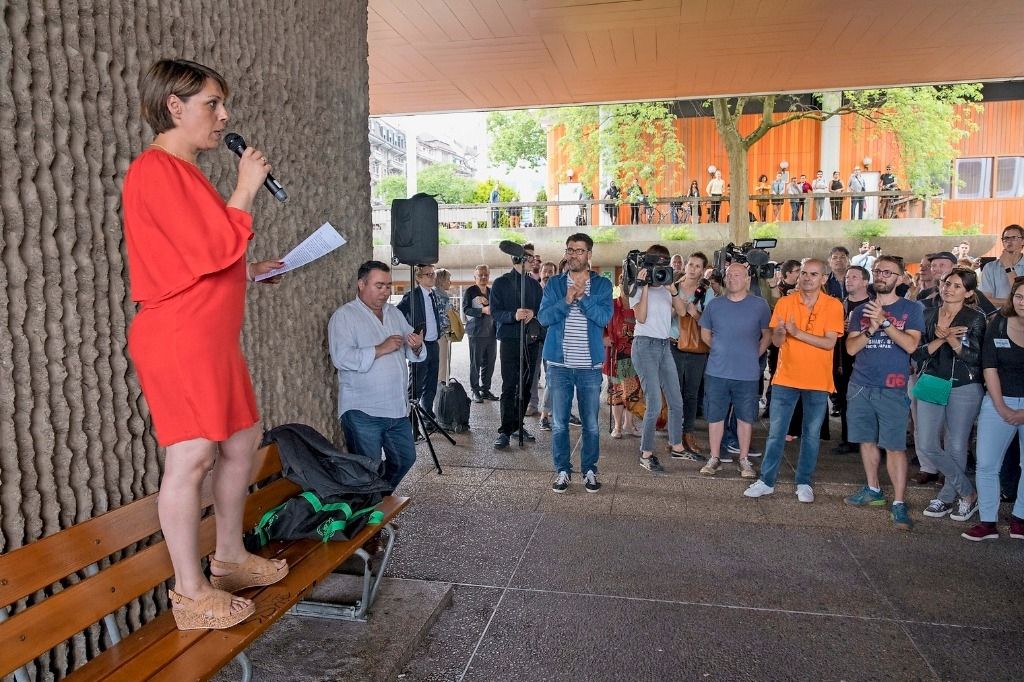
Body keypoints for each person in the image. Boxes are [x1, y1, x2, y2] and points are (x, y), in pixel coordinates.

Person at [123, 59, 288, 630]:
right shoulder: (155, 170)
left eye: (223, 104)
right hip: (178, 335)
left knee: (242, 440)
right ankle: (190, 593)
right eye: (212, 104)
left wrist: (250, 271)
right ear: (175, 106)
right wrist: (244, 189)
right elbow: (210, 247)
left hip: (211, 336)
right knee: (191, 455)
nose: (224, 116)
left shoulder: (187, 172)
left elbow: (200, 258)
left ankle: (230, 558)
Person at [744, 259, 844, 501]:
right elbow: (777, 342)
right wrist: (779, 333)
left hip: (818, 381)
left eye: (813, 274)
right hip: (786, 378)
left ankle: (804, 481)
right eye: (803, 273)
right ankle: (767, 480)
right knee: (776, 432)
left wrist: (798, 333)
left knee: (811, 435)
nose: (807, 278)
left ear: (823, 279)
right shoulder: (786, 302)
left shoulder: (833, 305)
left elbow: (830, 342)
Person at [843, 256, 925, 531]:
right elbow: (852, 349)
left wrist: (886, 323)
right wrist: (872, 328)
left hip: (893, 386)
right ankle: (873, 489)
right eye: (877, 271)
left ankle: (899, 503)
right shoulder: (859, 312)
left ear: (900, 278)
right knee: (866, 440)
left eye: (888, 272)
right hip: (861, 385)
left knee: (894, 446)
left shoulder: (911, 309)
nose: (881, 275)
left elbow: (912, 345)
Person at [330, 260, 424, 489]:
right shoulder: (344, 316)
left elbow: (413, 350)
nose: (385, 292)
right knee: (367, 468)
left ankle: (378, 501)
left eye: (388, 286)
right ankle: (368, 514)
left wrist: (416, 346)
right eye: (379, 285)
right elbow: (341, 358)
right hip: (363, 410)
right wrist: (380, 349)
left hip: (396, 408)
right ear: (361, 284)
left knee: (405, 458)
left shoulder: (394, 313)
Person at [539, 234, 613, 493]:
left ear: (589, 254)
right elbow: (544, 318)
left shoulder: (602, 286)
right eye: (570, 250)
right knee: (559, 422)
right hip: (559, 365)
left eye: (579, 251)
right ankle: (562, 470)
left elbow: (604, 317)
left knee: (591, 423)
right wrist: (567, 300)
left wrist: (582, 299)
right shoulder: (555, 284)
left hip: (589, 367)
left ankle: (590, 470)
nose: (573, 255)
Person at [914, 268, 986, 522]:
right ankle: (967, 493)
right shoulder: (929, 314)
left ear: (968, 292)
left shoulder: (975, 318)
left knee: (956, 444)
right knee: (927, 444)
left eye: (957, 286)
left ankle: (946, 497)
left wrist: (954, 342)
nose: (949, 288)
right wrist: (941, 340)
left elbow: (976, 358)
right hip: (932, 381)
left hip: (964, 385)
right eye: (947, 283)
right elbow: (917, 353)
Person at [963, 278, 1024, 541]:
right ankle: (988, 522)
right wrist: (1001, 406)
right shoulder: (998, 322)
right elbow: (989, 366)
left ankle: (1019, 520)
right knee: (987, 464)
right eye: (1020, 296)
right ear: (1013, 298)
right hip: (998, 400)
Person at [699, 263, 772, 479]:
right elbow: (705, 335)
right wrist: (722, 350)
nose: (732, 279)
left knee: (745, 417)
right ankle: (714, 458)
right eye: (729, 275)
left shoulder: (760, 305)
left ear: (748, 279)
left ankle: (743, 459)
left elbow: (767, 335)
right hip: (717, 371)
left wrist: (753, 354)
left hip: (747, 373)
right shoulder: (715, 305)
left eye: (738, 275)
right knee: (715, 416)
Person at [629, 244, 693, 472]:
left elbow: (683, 313)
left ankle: (676, 445)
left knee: (676, 400)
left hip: (665, 345)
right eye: (657, 262)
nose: (661, 267)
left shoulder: (668, 286)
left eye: (665, 263)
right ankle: (645, 454)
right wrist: (644, 286)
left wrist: (672, 289)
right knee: (654, 402)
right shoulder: (635, 287)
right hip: (644, 345)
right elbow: (642, 317)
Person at [490, 243, 543, 449]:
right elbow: (495, 312)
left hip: (530, 340)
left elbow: (541, 309)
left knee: (526, 385)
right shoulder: (501, 283)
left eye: (533, 257)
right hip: (510, 340)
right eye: (529, 257)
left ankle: (518, 424)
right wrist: (513, 315)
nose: (533, 260)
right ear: (517, 259)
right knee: (510, 385)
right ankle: (505, 429)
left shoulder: (534, 285)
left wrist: (533, 314)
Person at [670, 252, 714, 458]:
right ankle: (674, 435)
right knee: (673, 393)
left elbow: (712, 322)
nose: (692, 268)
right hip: (673, 345)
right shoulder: (673, 287)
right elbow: (663, 315)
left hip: (697, 349)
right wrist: (676, 306)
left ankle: (688, 433)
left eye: (698, 266)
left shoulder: (707, 292)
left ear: (702, 269)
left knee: (691, 394)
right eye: (690, 264)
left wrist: (695, 313)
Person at [833, 265, 873, 455]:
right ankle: (849, 438)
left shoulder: (874, 306)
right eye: (847, 277)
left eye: (854, 277)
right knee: (845, 400)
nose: (849, 280)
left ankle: (870, 441)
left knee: (867, 403)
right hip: (842, 361)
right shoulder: (839, 305)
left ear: (865, 282)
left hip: (867, 361)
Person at [397, 264, 444, 420]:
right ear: (418, 278)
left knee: (432, 381)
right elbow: (397, 315)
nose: (432, 277)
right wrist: (408, 334)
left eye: (433, 274)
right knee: (416, 382)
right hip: (419, 345)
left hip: (433, 343)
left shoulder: (434, 295)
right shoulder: (411, 296)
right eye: (428, 274)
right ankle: (411, 419)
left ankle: (428, 414)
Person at [604, 275, 640, 439]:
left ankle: (629, 424)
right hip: (616, 354)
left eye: (630, 283)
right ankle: (618, 426)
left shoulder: (638, 305)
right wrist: (604, 336)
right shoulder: (611, 305)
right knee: (617, 392)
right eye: (623, 282)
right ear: (619, 284)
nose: (626, 286)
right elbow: (599, 323)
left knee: (632, 392)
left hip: (634, 354)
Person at [463, 265, 497, 403]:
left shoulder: (491, 291)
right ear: (475, 277)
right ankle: (475, 390)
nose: (483, 277)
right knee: (475, 363)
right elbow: (466, 309)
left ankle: (485, 389)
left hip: (491, 332)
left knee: (490, 362)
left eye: (486, 275)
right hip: (476, 333)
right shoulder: (470, 291)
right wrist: (482, 311)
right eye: (480, 275)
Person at [979, 224, 1024, 308]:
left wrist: (1008, 266)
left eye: (1014, 238)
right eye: (1006, 238)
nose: (1009, 241)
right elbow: (985, 300)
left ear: (1022, 241)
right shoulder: (990, 267)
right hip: (998, 317)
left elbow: (1021, 291)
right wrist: (1014, 303)